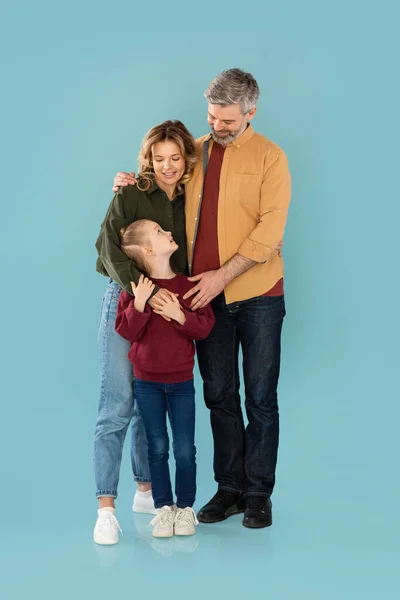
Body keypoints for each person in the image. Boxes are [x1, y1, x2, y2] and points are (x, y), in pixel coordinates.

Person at [113, 68, 291, 529]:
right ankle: (228, 488)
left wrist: (220, 278)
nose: (217, 127)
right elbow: (163, 177)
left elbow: (270, 232)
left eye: (228, 120)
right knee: (219, 396)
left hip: (258, 295)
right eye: (212, 117)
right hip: (201, 297)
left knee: (260, 399)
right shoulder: (195, 152)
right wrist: (131, 183)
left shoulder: (272, 158)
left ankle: (258, 494)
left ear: (251, 111)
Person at [93, 120, 197, 545]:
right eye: (159, 159)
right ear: (148, 159)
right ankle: (105, 508)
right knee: (117, 405)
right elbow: (106, 246)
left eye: (175, 158)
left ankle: (144, 490)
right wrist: (142, 290)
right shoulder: (133, 191)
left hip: (173, 307)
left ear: (187, 158)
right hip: (128, 299)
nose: (168, 167)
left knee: (146, 402)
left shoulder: (197, 197)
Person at [115, 219, 214, 537]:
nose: (169, 233)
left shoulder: (187, 286)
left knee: (185, 448)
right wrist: (141, 305)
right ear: (147, 250)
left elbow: (205, 327)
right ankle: (163, 508)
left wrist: (180, 315)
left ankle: (185, 509)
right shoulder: (134, 289)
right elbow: (126, 330)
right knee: (156, 447)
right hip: (146, 383)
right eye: (159, 232)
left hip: (182, 383)